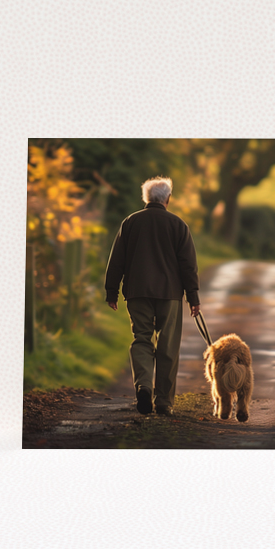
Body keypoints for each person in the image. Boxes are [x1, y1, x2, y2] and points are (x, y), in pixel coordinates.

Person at [104, 177, 201, 416]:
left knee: (142, 339)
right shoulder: (178, 225)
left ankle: (144, 387)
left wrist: (111, 291)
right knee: (168, 345)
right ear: (168, 199)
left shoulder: (130, 222)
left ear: (146, 199)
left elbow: (117, 259)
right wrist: (193, 296)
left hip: (137, 292)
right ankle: (164, 402)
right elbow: (188, 265)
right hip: (169, 295)